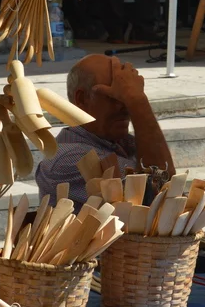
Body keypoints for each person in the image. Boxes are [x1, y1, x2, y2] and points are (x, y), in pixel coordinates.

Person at [35, 54, 174, 208]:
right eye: (114, 97)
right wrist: (137, 100)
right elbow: (164, 193)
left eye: (126, 97)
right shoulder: (68, 159)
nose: (125, 107)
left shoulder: (118, 141)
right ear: (82, 99)